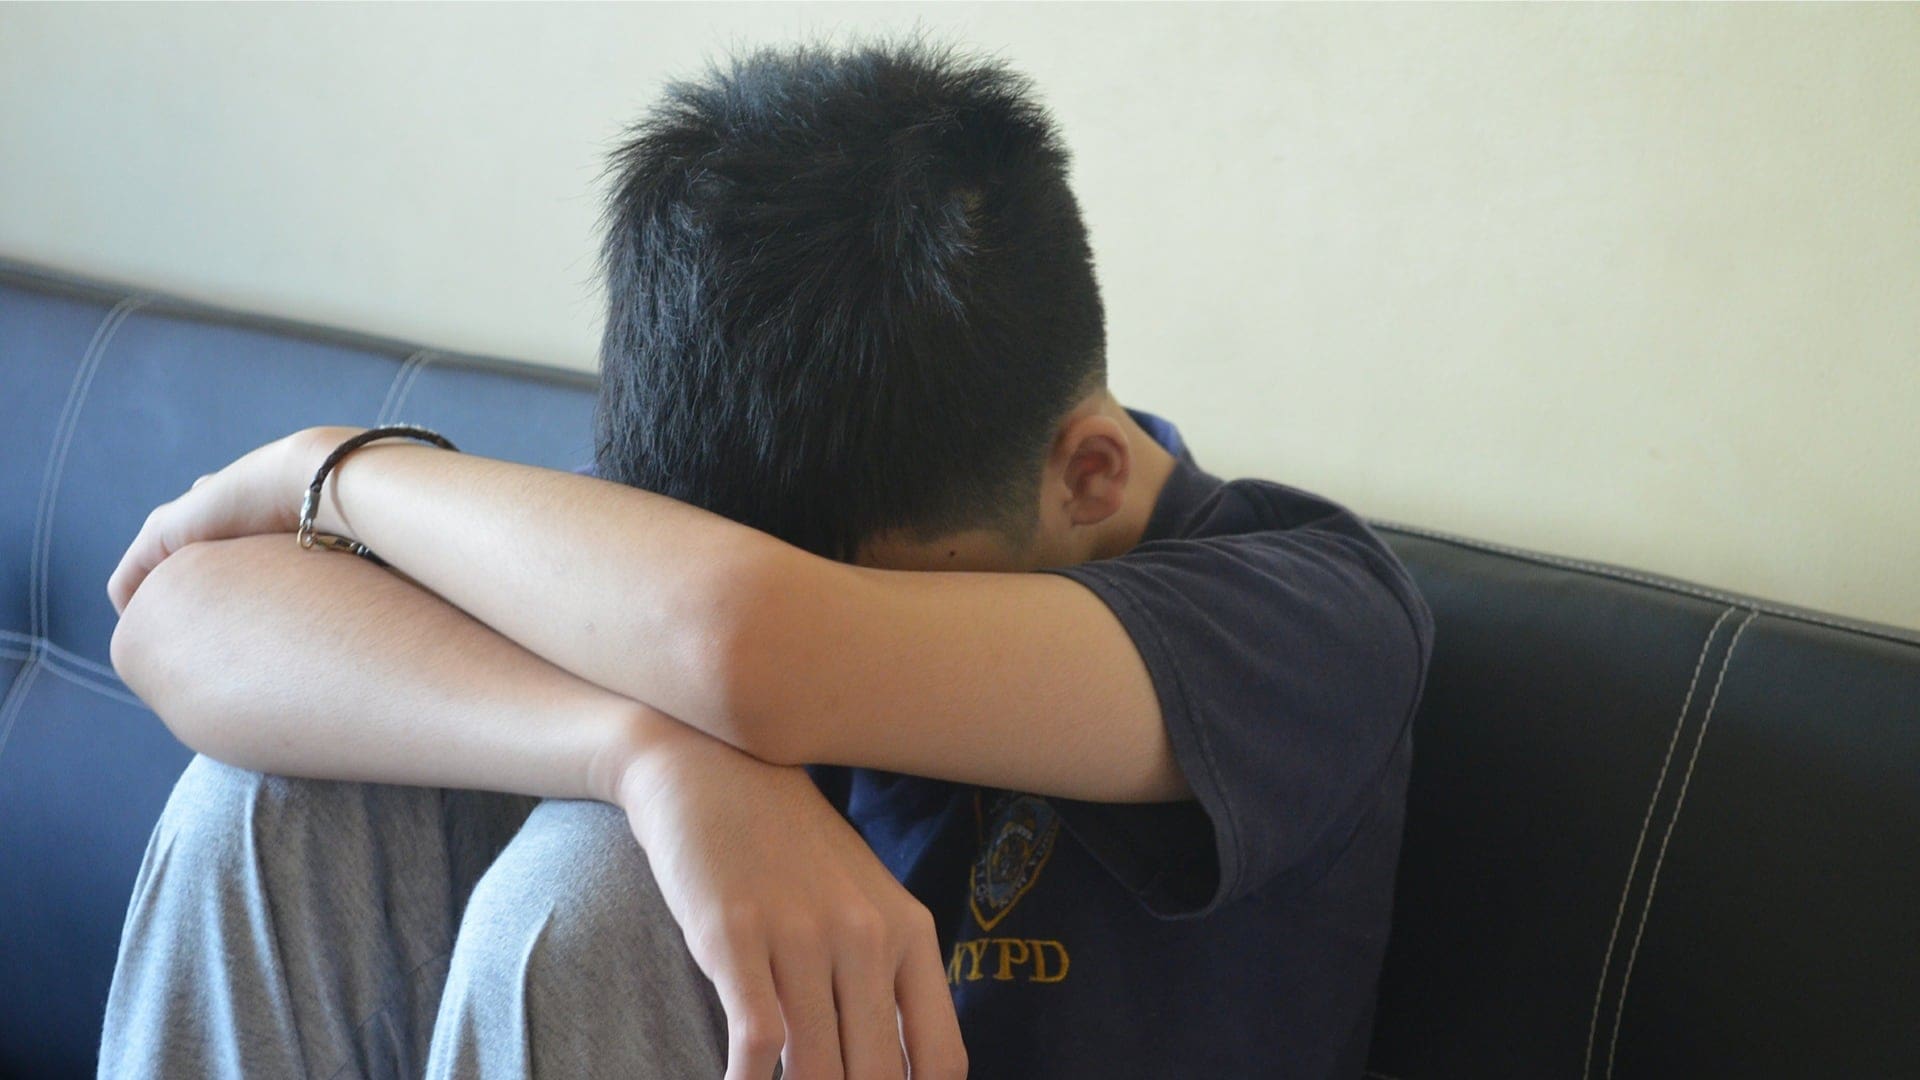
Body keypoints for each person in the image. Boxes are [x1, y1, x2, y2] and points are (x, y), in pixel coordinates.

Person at [98, 38, 1433, 1080]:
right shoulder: (767, 490)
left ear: (1087, 473)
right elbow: (178, 617)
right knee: (276, 801)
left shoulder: (1306, 616)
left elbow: (743, 641)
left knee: (593, 894)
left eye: (864, 588)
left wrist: (331, 465)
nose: (702, 597)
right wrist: (645, 753)